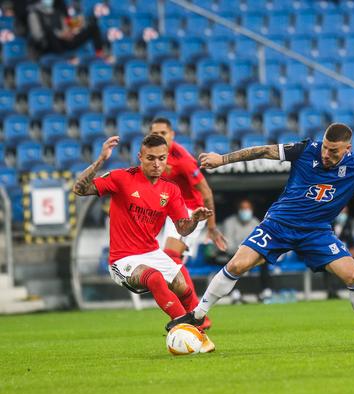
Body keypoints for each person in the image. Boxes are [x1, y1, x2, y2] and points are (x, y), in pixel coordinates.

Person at [166, 123, 354, 346]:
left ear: (347, 149)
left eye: (334, 151)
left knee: (353, 275)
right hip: (278, 225)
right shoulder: (306, 150)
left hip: (317, 232)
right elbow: (263, 151)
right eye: (326, 148)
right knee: (237, 264)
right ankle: (197, 315)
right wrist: (223, 159)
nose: (327, 155)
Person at [72, 134, 215, 352]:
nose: (157, 164)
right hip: (122, 259)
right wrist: (101, 160)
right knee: (155, 277)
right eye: (150, 158)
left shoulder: (171, 189)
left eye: (161, 158)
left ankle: (199, 335)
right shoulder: (122, 178)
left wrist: (194, 219)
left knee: (182, 286)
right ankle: (182, 326)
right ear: (140, 157)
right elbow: (79, 189)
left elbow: (182, 229)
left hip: (152, 253)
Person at [149, 118, 227, 309]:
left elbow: (206, 192)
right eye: (155, 134)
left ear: (172, 135)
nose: (159, 137)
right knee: (167, 264)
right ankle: (189, 313)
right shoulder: (151, 156)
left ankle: (196, 312)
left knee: (171, 256)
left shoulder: (182, 159)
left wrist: (212, 226)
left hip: (193, 211)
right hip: (172, 210)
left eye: (163, 133)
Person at [219, 198, 273, 303]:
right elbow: (228, 245)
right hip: (233, 254)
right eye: (243, 208)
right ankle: (236, 294)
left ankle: (266, 292)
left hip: (252, 253)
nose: (245, 211)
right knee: (233, 262)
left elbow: (260, 241)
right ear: (238, 209)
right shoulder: (229, 222)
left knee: (264, 259)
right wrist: (241, 250)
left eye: (248, 208)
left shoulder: (255, 222)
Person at [27, 0, 110, 61]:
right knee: (49, 33)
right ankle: (64, 58)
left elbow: (66, 25)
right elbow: (37, 35)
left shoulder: (57, 10)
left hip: (63, 41)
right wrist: (59, 34)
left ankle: (99, 53)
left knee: (92, 26)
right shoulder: (34, 13)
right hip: (47, 45)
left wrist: (71, 30)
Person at [324, 206, 354, 299]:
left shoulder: (348, 222)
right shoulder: (330, 220)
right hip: (330, 248)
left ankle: (336, 290)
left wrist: (353, 248)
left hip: (343, 249)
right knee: (329, 270)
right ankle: (330, 291)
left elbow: (350, 237)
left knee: (343, 270)